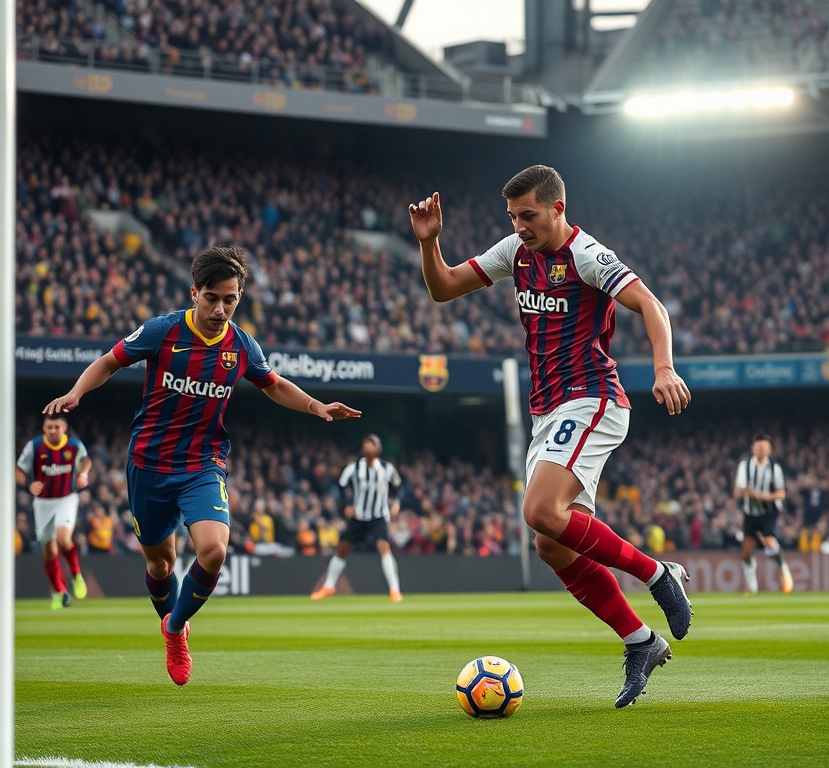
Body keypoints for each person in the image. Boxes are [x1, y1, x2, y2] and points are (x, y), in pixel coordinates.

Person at [409, 165, 694, 709]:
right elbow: (444, 288)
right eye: (513, 216)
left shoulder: (588, 255)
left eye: (530, 215)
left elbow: (651, 306)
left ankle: (659, 575)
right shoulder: (515, 252)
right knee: (551, 544)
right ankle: (641, 642)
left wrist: (663, 368)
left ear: (558, 209)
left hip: (593, 397)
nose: (520, 225)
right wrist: (431, 244)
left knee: (539, 511)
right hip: (549, 412)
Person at [43, 245, 361, 685]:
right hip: (148, 464)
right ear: (195, 292)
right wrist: (78, 393)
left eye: (230, 299)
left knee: (213, 551)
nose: (220, 308)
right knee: (161, 565)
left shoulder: (241, 345)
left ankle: (175, 630)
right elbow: (109, 361)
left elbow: (272, 385)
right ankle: (170, 616)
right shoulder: (163, 331)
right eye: (212, 297)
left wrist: (315, 404)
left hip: (202, 464)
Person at [311, 434, 404, 602]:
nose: (368, 447)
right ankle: (328, 586)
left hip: (378, 515)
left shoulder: (386, 468)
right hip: (359, 516)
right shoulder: (354, 467)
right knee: (342, 549)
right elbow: (341, 484)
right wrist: (347, 504)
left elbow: (397, 484)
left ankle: (394, 590)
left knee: (384, 547)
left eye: (372, 444)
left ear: (378, 449)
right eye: (366, 444)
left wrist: (395, 502)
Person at [16, 414, 92, 610]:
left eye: (56, 427)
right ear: (44, 428)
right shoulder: (35, 446)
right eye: (49, 427)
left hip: (66, 498)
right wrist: (28, 484)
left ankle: (76, 575)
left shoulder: (74, 446)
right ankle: (60, 592)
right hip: (42, 503)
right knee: (49, 551)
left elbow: (86, 461)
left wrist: (82, 473)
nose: (52, 431)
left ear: (64, 427)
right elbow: (18, 470)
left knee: (62, 539)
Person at [734, 433, 794, 594]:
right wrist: (747, 492)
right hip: (750, 512)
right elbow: (738, 489)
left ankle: (784, 570)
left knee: (768, 540)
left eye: (764, 447)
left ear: (769, 450)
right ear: (753, 449)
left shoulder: (774, 467)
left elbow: (781, 493)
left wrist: (765, 497)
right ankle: (752, 586)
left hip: (769, 511)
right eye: (758, 447)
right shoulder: (745, 466)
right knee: (746, 550)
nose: (761, 450)